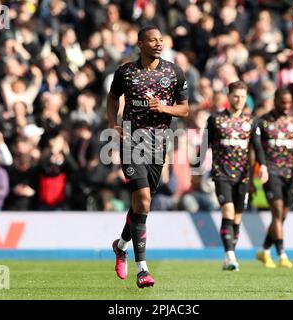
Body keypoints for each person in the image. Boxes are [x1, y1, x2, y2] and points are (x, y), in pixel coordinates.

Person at [107, 26, 189, 288]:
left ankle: (121, 246)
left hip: (159, 145)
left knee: (142, 205)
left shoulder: (173, 72)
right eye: (153, 40)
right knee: (142, 200)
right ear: (140, 43)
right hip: (132, 141)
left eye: (161, 40)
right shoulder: (126, 72)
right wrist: (112, 123)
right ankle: (143, 269)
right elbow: (113, 96)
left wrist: (163, 107)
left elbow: (185, 109)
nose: (158, 43)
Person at [197, 81, 268, 271]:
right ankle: (230, 256)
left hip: (243, 176)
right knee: (227, 212)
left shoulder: (251, 122)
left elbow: (258, 146)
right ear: (229, 97)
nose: (239, 100)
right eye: (236, 96)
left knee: (237, 218)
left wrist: (263, 166)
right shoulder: (215, 120)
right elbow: (204, 145)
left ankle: (230, 255)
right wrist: (196, 168)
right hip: (222, 174)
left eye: (243, 97)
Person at [256, 88, 293, 268]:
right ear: (275, 100)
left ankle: (264, 250)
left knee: (282, 216)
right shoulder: (263, 122)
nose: (286, 106)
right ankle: (281, 254)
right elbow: (255, 150)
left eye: (289, 103)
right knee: (278, 212)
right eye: (283, 102)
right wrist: (254, 173)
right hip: (271, 171)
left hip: (289, 173)